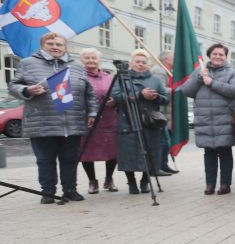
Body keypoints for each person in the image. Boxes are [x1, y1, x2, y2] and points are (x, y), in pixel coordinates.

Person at [9, 32, 97, 203]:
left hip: (72, 122)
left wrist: (92, 112)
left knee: (70, 160)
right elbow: (14, 86)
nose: (55, 47)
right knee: (45, 160)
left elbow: (90, 94)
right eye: (51, 43)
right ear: (43, 45)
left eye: (59, 44)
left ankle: (70, 190)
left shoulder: (77, 66)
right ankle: (48, 192)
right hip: (42, 122)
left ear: (65, 47)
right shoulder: (28, 63)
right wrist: (27, 90)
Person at [179, 43, 235, 195]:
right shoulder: (200, 71)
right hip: (205, 120)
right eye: (215, 54)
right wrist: (200, 78)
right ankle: (210, 184)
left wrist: (212, 83)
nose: (218, 57)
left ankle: (225, 184)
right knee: (209, 154)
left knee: (225, 153)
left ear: (225, 57)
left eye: (221, 54)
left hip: (224, 119)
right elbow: (185, 90)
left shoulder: (232, 72)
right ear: (209, 55)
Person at [112, 50, 167, 194]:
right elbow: (117, 97)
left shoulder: (155, 80)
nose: (141, 64)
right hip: (128, 120)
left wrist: (155, 97)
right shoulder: (122, 78)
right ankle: (131, 183)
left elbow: (165, 98)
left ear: (148, 64)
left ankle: (145, 181)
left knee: (151, 152)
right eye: (138, 61)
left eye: (144, 62)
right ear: (131, 63)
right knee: (128, 154)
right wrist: (140, 95)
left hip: (150, 122)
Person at [78, 48, 118, 194]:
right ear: (82, 60)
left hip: (109, 119)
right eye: (87, 58)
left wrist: (114, 101)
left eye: (94, 58)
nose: (91, 61)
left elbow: (117, 94)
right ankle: (92, 181)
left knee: (112, 150)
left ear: (98, 60)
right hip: (88, 119)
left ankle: (109, 179)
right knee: (87, 151)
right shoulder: (78, 77)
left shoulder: (108, 77)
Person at [150, 51, 177, 175]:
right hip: (160, 111)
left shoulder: (167, 70)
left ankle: (164, 164)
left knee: (166, 141)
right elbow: (159, 90)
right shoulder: (158, 71)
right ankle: (157, 167)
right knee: (162, 141)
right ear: (166, 58)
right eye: (173, 57)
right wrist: (177, 89)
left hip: (168, 111)